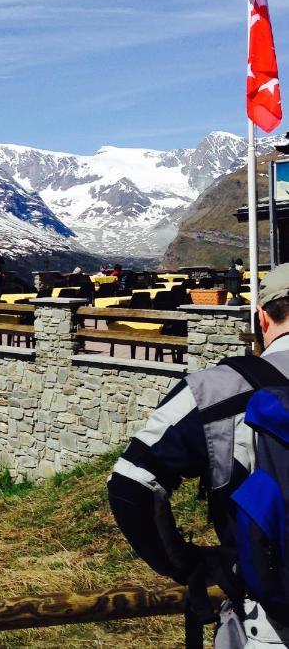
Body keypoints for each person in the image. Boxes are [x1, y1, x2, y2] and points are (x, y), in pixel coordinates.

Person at [108, 264, 289, 648]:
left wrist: (185, 564)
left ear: (261, 317)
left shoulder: (215, 390)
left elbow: (130, 483)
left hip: (271, 620)